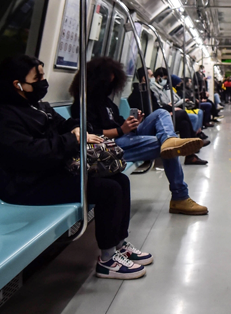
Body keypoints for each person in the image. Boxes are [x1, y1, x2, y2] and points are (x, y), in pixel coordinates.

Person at [0, 55, 151, 280]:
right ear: (17, 84)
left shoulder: (38, 107)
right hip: (25, 185)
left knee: (120, 179)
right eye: (37, 77)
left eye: (43, 74)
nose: (43, 81)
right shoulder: (2, 116)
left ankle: (118, 243)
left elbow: (64, 125)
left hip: (48, 173)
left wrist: (80, 128)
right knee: (109, 189)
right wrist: (73, 139)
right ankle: (107, 260)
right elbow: (29, 154)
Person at [71, 58, 209, 215]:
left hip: (125, 136)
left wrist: (134, 123)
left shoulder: (106, 102)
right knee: (164, 147)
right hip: (109, 146)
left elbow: (118, 122)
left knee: (161, 113)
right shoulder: (83, 104)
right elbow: (90, 135)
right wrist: (121, 130)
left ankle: (169, 139)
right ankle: (180, 196)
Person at [129, 68, 208, 165]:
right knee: (182, 113)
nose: (153, 78)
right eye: (151, 76)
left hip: (158, 117)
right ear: (144, 78)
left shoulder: (148, 91)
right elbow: (152, 110)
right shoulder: (141, 94)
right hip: (153, 123)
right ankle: (195, 137)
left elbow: (156, 108)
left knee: (184, 124)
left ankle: (190, 156)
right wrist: (169, 110)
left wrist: (168, 109)